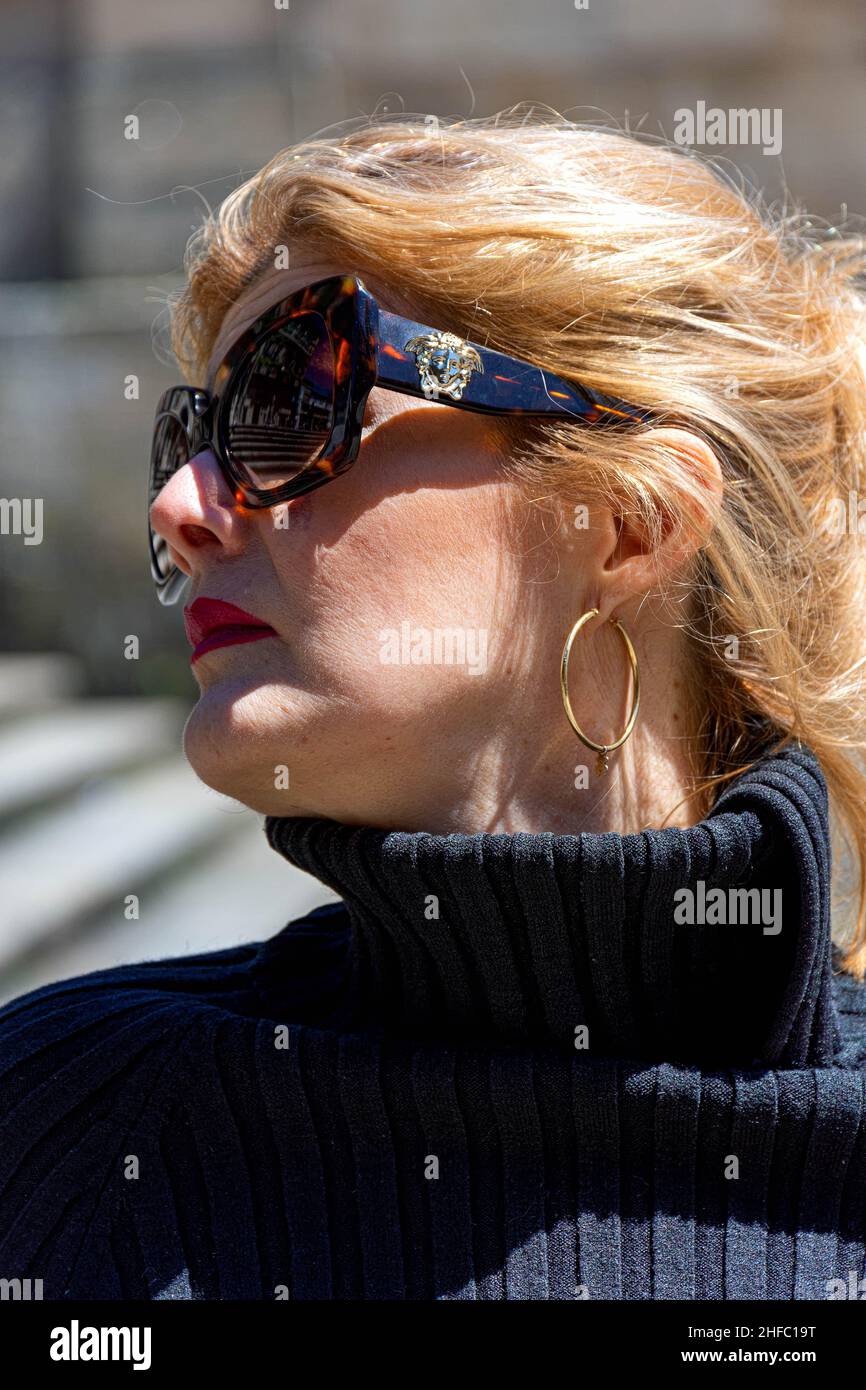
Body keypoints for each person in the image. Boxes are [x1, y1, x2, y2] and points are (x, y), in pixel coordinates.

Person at [2, 113, 866, 1301]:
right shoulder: (65, 1130)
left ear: (627, 523)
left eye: (293, 397)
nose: (181, 505)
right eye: (193, 434)